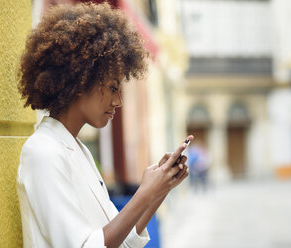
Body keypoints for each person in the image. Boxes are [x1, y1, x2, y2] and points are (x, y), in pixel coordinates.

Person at [16, 3, 193, 248]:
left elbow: (123, 240)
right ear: (80, 80)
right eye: (112, 87)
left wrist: (159, 190)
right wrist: (145, 194)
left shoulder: (78, 151)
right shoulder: (43, 153)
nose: (119, 100)